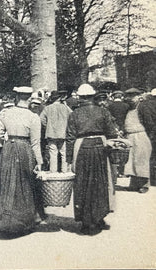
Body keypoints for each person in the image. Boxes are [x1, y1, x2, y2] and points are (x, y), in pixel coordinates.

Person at [0, 86, 43, 236]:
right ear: (30, 98)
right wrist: (39, 161)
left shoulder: (5, 113)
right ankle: (23, 220)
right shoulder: (33, 117)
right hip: (25, 149)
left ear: (17, 97)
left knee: (6, 182)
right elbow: (35, 143)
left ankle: (4, 218)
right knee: (25, 184)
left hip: (8, 148)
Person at [66, 84, 117, 235]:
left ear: (81, 98)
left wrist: (69, 159)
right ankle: (98, 217)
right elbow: (112, 132)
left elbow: (70, 137)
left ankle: (86, 221)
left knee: (82, 183)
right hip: (100, 147)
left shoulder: (74, 114)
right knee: (101, 182)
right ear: (93, 96)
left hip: (81, 147)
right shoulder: (103, 111)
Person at [123, 88, 152, 193]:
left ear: (139, 96)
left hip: (140, 136)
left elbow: (149, 123)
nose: (130, 98)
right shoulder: (129, 108)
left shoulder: (143, 107)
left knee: (141, 160)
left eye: (132, 96)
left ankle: (144, 184)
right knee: (132, 161)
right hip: (130, 137)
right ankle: (134, 184)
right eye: (128, 96)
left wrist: (145, 135)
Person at [40, 90, 72, 173]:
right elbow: (72, 117)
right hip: (63, 134)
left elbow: (42, 119)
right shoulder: (66, 108)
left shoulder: (47, 108)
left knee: (53, 154)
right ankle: (64, 172)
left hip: (51, 133)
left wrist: (47, 126)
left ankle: (53, 171)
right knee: (64, 153)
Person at [137, 88, 156, 186]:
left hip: (151, 132)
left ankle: (152, 178)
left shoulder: (145, 105)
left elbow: (147, 121)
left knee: (151, 156)